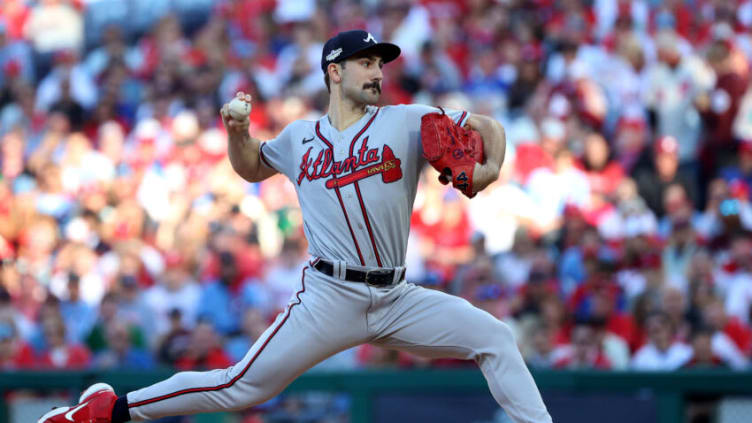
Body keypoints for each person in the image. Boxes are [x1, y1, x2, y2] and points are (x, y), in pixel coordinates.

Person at [39, 29, 552, 423]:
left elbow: (489, 127)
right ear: (334, 71)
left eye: (380, 63)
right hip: (329, 295)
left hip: (397, 297)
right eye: (366, 63)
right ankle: (104, 412)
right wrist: (236, 131)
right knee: (242, 385)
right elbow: (251, 167)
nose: (377, 72)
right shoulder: (299, 137)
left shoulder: (406, 119)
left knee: (495, 337)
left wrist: (488, 166)